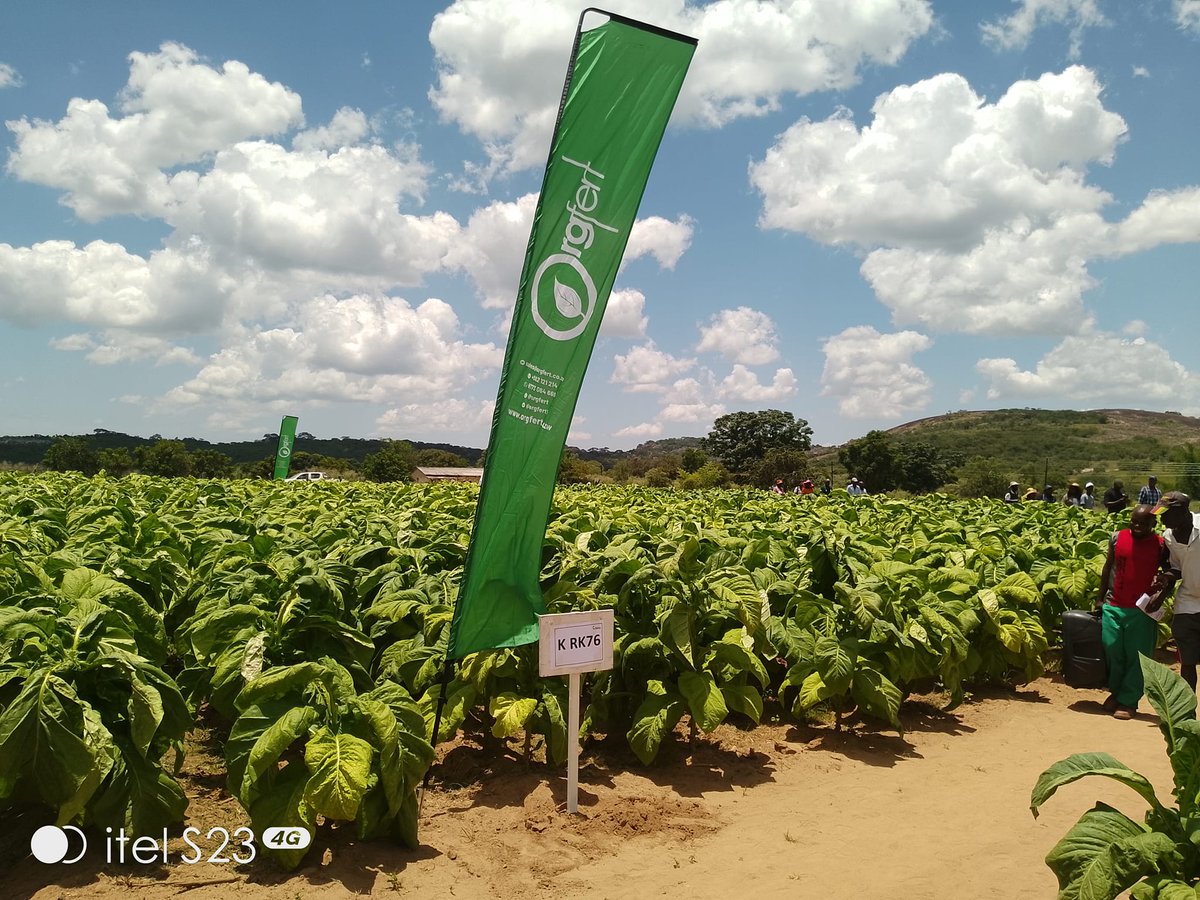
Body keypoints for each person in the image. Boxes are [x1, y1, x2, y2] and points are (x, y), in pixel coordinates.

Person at [1095, 505, 1171, 719]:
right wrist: (1100, 597)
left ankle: (1128, 701)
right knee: (1112, 649)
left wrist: (1161, 591)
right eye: (1134, 522)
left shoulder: (1160, 545)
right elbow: (1108, 567)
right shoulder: (1118, 538)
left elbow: (1169, 573)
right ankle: (1117, 692)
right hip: (1114, 604)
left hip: (1142, 609)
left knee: (1137, 657)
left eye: (1143, 523)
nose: (1137, 526)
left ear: (1153, 525)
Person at [1153, 492, 1200, 691]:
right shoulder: (1168, 536)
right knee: (1187, 661)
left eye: (1165, 514)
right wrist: (1167, 577)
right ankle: (1186, 713)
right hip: (1188, 602)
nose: (1161, 519)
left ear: (1181, 511)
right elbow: (1177, 567)